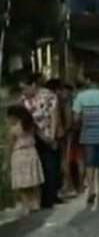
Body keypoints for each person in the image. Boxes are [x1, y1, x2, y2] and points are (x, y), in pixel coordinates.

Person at [18, 72, 62, 208]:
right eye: (22, 89)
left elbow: (54, 115)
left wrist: (52, 136)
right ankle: (40, 197)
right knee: (38, 166)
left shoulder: (48, 96)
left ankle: (50, 197)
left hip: (48, 133)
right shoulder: (23, 99)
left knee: (51, 166)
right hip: (32, 136)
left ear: (33, 85)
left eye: (25, 88)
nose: (24, 91)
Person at [74, 74, 99, 206]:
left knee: (90, 164)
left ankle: (91, 190)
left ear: (88, 80)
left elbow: (76, 118)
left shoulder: (81, 96)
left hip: (87, 135)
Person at [7, 105, 45, 216]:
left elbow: (10, 145)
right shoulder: (31, 126)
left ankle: (26, 206)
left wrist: (7, 161)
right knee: (34, 180)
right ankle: (36, 203)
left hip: (19, 155)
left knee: (22, 184)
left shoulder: (14, 129)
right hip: (32, 152)